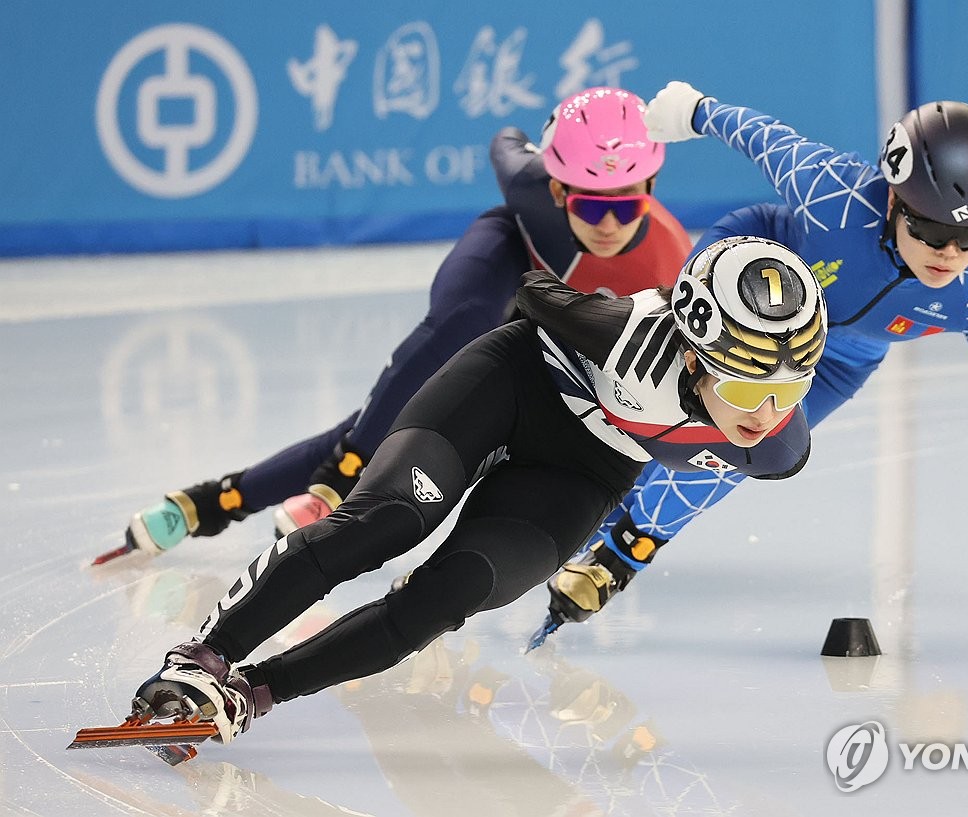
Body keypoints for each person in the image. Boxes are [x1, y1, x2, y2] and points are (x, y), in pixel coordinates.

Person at [126, 234, 828, 745]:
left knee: (453, 590)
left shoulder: (777, 447)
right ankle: (203, 656)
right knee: (392, 517)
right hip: (514, 385)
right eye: (743, 386)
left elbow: (695, 489)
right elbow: (531, 290)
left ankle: (253, 692)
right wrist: (600, 309)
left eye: (788, 390)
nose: (764, 413)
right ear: (689, 350)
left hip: (583, 469)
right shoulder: (630, 338)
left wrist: (622, 555)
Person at [533, 83, 968, 642]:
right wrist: (696, 110)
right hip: (752, 273)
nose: (949, 255)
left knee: (745, 444)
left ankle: (626, 549)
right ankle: (572, 478)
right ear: (894, 201)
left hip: (838, 357)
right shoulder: (835, 196)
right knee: (673, 400)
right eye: (933, 230)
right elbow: (766, 139)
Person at [106, 86, 693, 564]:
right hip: (509, 256)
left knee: (423, 415)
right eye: (590, 203)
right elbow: (505, 142)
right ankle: (341, 473)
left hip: (560, 317)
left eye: (627, 202)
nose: (609, 221)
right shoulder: (528, 188)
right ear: (559, 187)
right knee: (456, 327)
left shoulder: (668, 261)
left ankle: (206, 504)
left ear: (653, 188)